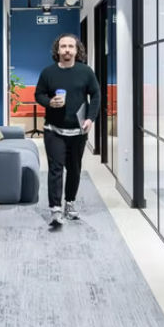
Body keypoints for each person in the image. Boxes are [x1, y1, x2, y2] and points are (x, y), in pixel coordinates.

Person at [34, 32, 101, 227]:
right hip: (53, 129)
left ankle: (69, 204)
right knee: (55, 169)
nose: (67, 50)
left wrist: (91, 118)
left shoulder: (86, 72)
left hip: (78, 131)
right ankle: (55, 209)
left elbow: (95, 95)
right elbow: (39, 94)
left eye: (71, 46)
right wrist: (49, 102)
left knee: (74, 169)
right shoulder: (48, 73)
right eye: (63, 46)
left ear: (76, 50)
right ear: (57, 50)